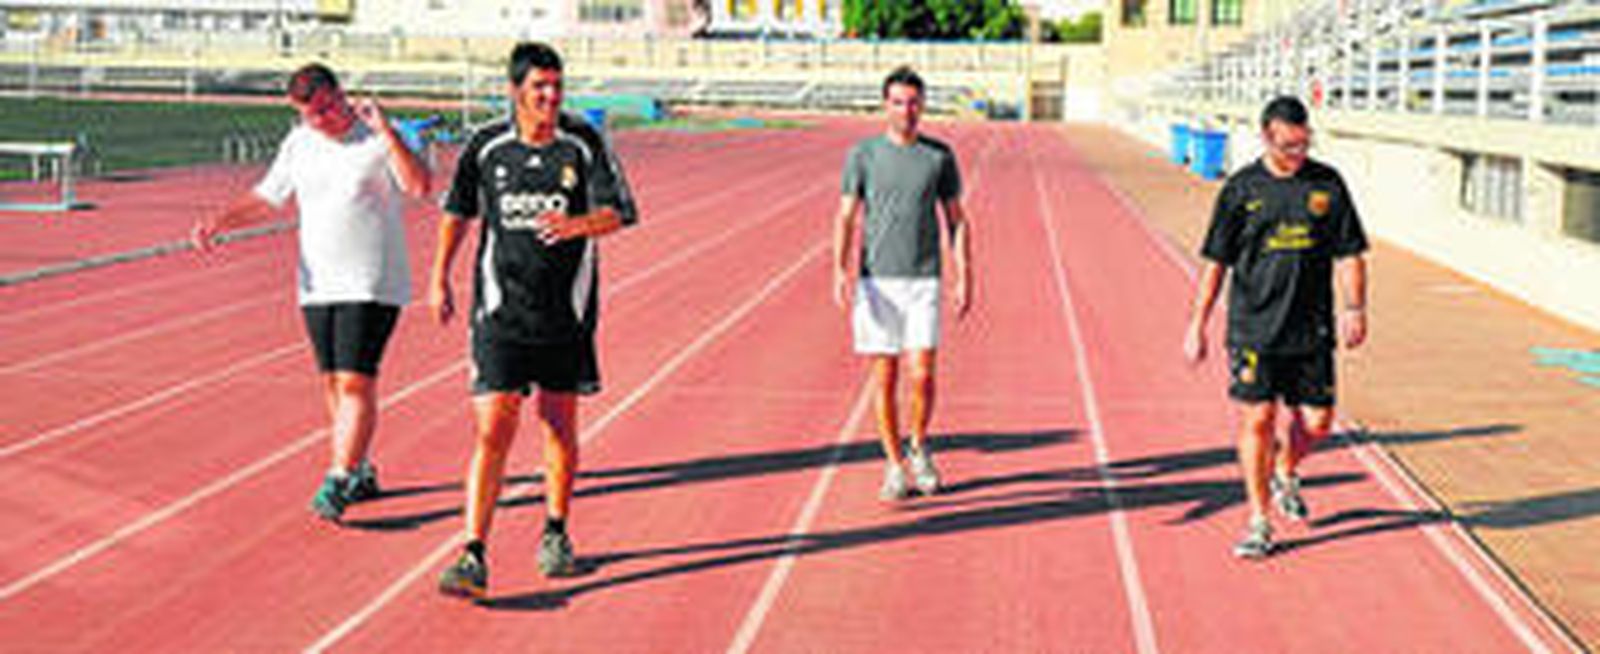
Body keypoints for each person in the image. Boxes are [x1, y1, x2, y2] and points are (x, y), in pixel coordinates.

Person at [431, 41, 637, 599]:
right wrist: (439, 276)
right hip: (499, 313)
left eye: (556, 86)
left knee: (557, 424)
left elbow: (620, 213)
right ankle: (473, 552)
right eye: (539, 87)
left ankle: (555, 532)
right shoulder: (487, 147)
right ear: (516, 91)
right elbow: (458, 213)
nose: (550, 96)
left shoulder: (583, 143)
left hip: (565, 316)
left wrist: (577, 226)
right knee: (493, 427)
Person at [190, 63, 432, 522]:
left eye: (325, 108)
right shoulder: (299, 143)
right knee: (332, 384)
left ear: (340, 94)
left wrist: (387, 131)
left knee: (355, 380)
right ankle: (358, 468)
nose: (320, 120)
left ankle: (339, 477)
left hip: (372, 281)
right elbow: (268, 197)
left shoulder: (378, 134)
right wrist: (219, 220)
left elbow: (419, 186)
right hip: (318, 282)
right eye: (309, 114)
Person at [1183, 95, 1370, 559]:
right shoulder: (1241, 190)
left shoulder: (1327, 184)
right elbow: (1216, 262)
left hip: (1311, 329)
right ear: (1267, 137)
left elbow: (1349, 252)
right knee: (1259, 419)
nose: (1299, 154)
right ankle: (1259, 520)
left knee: (1318, 423)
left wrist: (1355, 307)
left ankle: (1287, 467)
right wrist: (1197, 323)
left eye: (1304, 144)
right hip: (1254, 329)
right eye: (1290, 146)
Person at [832, 66, 973, 502]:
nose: (906, 110)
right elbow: (846, 215)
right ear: (884, 105)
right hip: (878, 282)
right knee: (885, 378)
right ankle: (894, 465)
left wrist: (965, 273)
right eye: (897, 102)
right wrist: (838, 268)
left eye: (913, 103)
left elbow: (956, 220)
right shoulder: (863, 156)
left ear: (922, 106)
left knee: (922, 376)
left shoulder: (939, 157)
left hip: (923, 281)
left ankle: (918, 446)